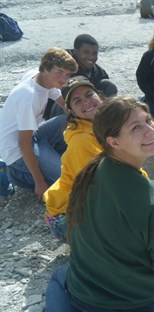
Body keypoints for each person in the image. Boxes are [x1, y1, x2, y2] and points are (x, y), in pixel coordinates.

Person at [38, 96, 154, 312]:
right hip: (140, 305)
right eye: (136, 127)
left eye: (148, 120)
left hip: (88, 297)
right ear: (112, 141)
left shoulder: (90, 170)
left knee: (61, 275)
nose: (150, 130)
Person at [0, 47, 78, 198]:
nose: (64, 79)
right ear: (45, 68)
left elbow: (56, 96)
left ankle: (49, 156)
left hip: (33, 136)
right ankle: (9, 173)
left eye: (67, 74)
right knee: (68, 182)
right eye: (60, 72)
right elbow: (23, 143)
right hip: (17, 152)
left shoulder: (38, 77)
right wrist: (39, 182)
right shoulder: (29, 97)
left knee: (68, 119)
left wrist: (73, 112)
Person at [43, 76, 103, 241]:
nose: (86, 102)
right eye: (77, 101)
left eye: (89, 95)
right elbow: (103, 183)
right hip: (64, 216)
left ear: (99, 95)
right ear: (71, 111)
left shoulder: (106, 125)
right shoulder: (81, 141)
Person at [44, 34, 118, 120]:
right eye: (86, 52)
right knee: (64, 99)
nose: (91, 57)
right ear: (76, 51)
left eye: (94, 53)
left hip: (83, 106)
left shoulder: (97, 70)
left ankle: (106, 119)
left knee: (108, 84)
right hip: (57, 110)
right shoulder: (63, 65)